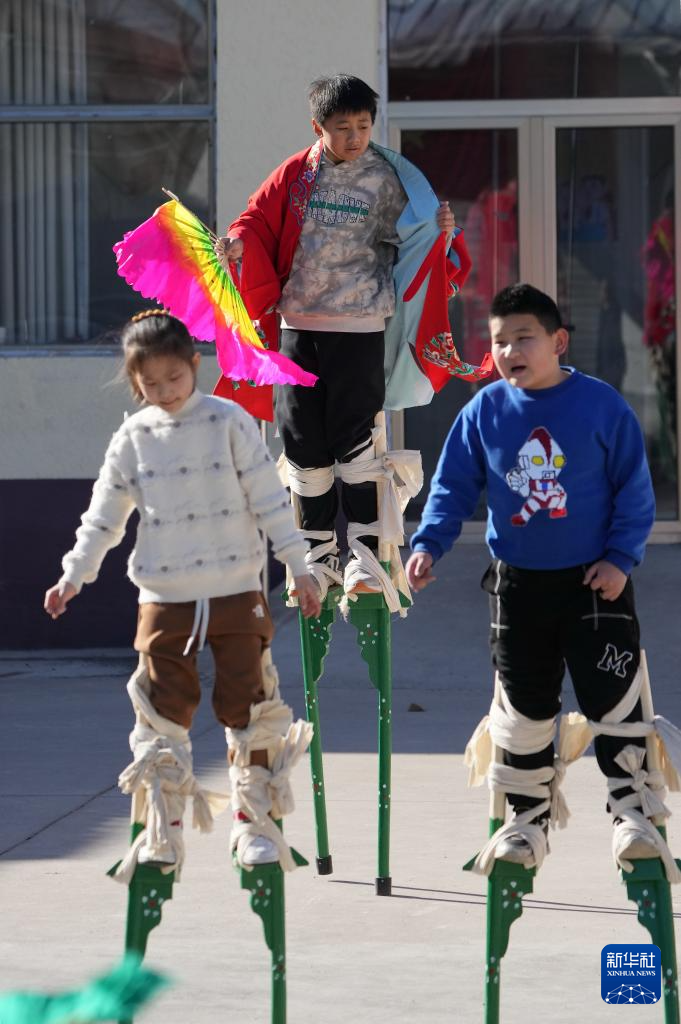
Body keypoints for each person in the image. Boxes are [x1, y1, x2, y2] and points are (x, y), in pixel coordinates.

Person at [44, 309, 321, 877]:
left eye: (174, 377)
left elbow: (270, 499)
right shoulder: (133, 439)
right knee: (161, 709)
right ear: (135, 382)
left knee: (250, 703)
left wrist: (299, 565)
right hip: (164, 596)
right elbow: (104, 518)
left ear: (195, 364)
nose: (166, 391)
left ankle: (253, 822)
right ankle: (164, 828)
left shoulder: (229, 421)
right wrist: (74, 575)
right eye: (151, 383)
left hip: (236, 589)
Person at [406, 283, 661, 870]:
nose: (510, 351)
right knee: (524, 710)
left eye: (524, 338)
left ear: (558, 342)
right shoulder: (484, 411)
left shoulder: (601, 406)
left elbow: (634, 489)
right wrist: (428, 545)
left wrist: (620, 558)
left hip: (595, 584)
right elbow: (452, 487)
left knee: (615, 700)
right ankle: (526, 820)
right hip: (518, 588)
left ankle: (633, 811)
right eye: (499, 341)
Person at [214, 73, 477, 605]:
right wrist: (239, 242)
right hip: (297, 325)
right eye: (342, 127)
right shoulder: (296, 174)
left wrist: (442, 229)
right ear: (318, 127)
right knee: (302, 440)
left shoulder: (389, 177)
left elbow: (422, 237)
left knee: (354, 438)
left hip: (360, 325)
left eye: (362, 125)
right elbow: (256, 221)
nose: (354, 136)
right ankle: (316, 554)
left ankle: (364, 553)